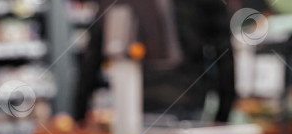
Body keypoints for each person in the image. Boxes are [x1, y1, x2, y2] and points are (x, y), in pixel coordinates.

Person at [74, 0, 236, 125]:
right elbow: (224, 54)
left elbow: (92, 57)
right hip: (183, 103)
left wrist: (79, 114)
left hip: (130, 106)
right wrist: (223, 116)